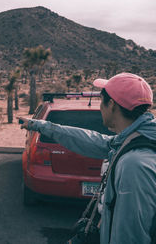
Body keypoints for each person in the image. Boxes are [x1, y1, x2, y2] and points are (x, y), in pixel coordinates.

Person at [19, 72, 156, 244]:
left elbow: (130, 237)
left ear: (112, 105)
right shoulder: (132, 140)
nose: (100, 108)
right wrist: (38, 125)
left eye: (101, 101)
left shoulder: (134, 165)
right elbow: (91, 140)